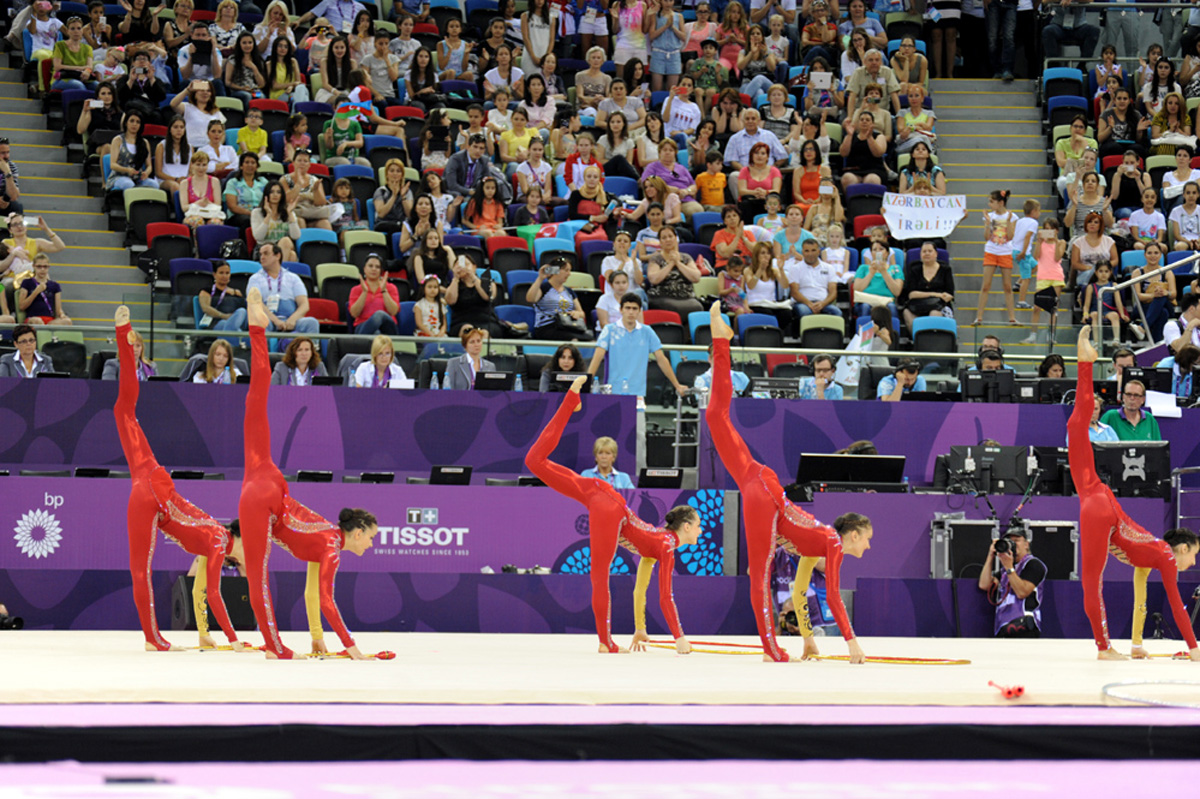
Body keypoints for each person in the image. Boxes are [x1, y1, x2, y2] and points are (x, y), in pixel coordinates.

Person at [704, 302, 871, 662]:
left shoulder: (817, 549)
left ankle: (722, 341)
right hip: (765, 495)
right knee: (758, 573)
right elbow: (832, 597)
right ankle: (770, 649)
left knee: (715, 416)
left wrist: (809, 640)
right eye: (866, 541)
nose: (867, 548)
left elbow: (799, 594)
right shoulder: (832, 545)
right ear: (852, 534)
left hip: (759, 484)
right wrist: (852, 642)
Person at [239, 289, 379, 660]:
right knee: (256, 575)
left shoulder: (328, 538)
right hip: (265, 499)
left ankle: (257, 329)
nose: (370, 545)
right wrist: (353, 648)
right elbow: (327, 601)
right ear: (358, 532)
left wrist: (317, 636)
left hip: (268, 480)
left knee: (258, 399)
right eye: (370, 539)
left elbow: (310, 594)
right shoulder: (333, 550)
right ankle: (274, 648)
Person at [525, 375, 699, 654]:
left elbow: (641, 591)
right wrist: (679, 638)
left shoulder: (657, 547)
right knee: (599, 574)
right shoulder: (666, 546)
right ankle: (605, 642)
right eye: (699, 526)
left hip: (602, 496)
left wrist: (640, 628)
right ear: (686, 527)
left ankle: (571, 401)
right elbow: (666, 596)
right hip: (609, 506)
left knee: (533, 461)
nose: (701, 531)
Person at [111, 306, 246, 651]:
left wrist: (207, 636)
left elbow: (202, 590)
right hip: (156, 495)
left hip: (151, 485)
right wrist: (233, 640)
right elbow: (212, 593)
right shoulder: (217, 542)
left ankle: (152, 638)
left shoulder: (215, 539)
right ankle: (152, 639)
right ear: (236, 541)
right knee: (124, 408)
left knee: (124, 409)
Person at [1070, 326, 1200, 661]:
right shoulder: (1167, 558)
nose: (1193, 561)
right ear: (1182, 548)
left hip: (1100, 499)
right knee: (1091, 582)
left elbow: (1140, 597)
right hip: (1103, 510)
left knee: (1076, 428)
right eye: (1194, 555)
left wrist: (1139, 646)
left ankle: (1085, 364)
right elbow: (1174, 604)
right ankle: (1103, 649)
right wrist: (1195, 649)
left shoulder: (1155, 551)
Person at [587, 291, 687, 398]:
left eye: (634, 309)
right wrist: (586, 384)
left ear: (639, 311)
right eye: (627, 308)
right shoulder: (609, 330)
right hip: (613, 392)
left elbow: (661, 359)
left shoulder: (647, 331)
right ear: (621, 310)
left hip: (638, 393)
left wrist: (677, 385)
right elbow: (597, 358)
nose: (631, 312)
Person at [246, 242, 318, 350]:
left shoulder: (293, 278)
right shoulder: (255, 279)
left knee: (312, 323)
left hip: (290, 319)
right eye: (260, 254)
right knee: (261, 323)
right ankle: (266, 360)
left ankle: (311, 357)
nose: (262, 257)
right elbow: (256, 304)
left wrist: (292, 320)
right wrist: (276, 321)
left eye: (266, 253)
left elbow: (304, 305)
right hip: (268, 319)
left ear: (277, 256)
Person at [978, 529, 1047, 638]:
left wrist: (1009, 567)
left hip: (1024, 626)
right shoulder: (1005, 570)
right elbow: (984, 585)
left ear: (1026, 544)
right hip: (1003, 627)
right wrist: (990, 555)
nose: (1013, 543)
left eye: (1016, 540)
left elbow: (1022, 592)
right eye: (1009, 541)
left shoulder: (1034, 565)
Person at [527, 259, 591, 341]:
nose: (569, 274)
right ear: (556, 270)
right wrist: (540, 278)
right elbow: (530, 299)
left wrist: (576, 313)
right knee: (573, 339)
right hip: (548, 327)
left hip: (567, 326)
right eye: (566, 270)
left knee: (590, 339)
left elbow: (582, 313)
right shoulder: (544, 288)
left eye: (569, 270)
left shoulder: (569, 291)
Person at [788, 239, 842, 321]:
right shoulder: (795, 268)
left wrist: (822, 304)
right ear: (802, 252)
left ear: (819, 251)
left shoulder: (829, 268)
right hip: (803, 303)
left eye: (813, 250)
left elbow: (833, 292)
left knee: (836, 313)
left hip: (823, 303)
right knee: (804, 312)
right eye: (807, 251)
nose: (810, 254)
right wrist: (810, 304)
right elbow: (794, 292)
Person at [347, 254, 400, 335]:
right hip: (363, 326)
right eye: (370, 266)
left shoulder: (390, 288)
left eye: (377, 267)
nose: (374, 269)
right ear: (364, 269)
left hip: (388, 328)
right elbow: (354, 314)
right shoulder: (356, 289)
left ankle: (361, 343)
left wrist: (384, 291)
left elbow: (393, 312)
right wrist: (364, 292)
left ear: (380, 271)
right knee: (376, 334)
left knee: (379, 315)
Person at [1099, 377, 1162, 441]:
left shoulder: (1150, 419)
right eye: (1128, 394)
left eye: (1136, 395)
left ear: (1143, 399)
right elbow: (1099, 443)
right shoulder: (1110, 416)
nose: (1132, 398)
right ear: (1123, 397)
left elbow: (1158, 447)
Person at [197, 261, 248, 338]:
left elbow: (245, 310)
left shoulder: (236, 292)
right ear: (214, 274)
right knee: (224, 324)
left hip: (237, 322)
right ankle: (240, 339)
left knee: (242, 311)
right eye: (221, 273)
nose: (224, 276)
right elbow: (206, 308)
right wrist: (224, 316)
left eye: (227, 273)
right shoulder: (207, 290)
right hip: (216, 323)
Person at [18, 254, 71, 326]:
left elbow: (58, 310)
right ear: (34, 266)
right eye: (39, 266)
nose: (42, 269)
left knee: (67, 322)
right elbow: (22, 306)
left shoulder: (55, 285)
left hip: (49, 320)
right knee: (37, 321)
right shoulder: (27, 282)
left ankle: (47, 331)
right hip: (33, 318)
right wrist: (36, 292)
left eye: (45, 267)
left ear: (48, 267)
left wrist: (62, 315)